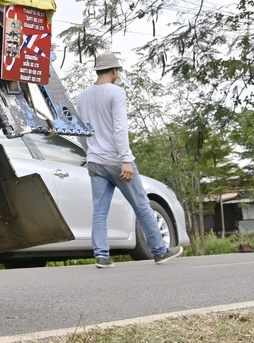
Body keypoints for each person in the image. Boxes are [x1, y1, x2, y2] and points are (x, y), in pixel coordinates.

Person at [76, 52, 184, 269]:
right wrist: (125, 159)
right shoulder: (116, 93)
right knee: (142, 205)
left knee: (99, 210)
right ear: (114, 71)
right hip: (117, 161)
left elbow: (81, 131)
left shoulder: (82, 96)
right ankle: (159, 250)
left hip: (95, 161)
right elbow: (120, 128)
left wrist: (90, 152)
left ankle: (102, 256)